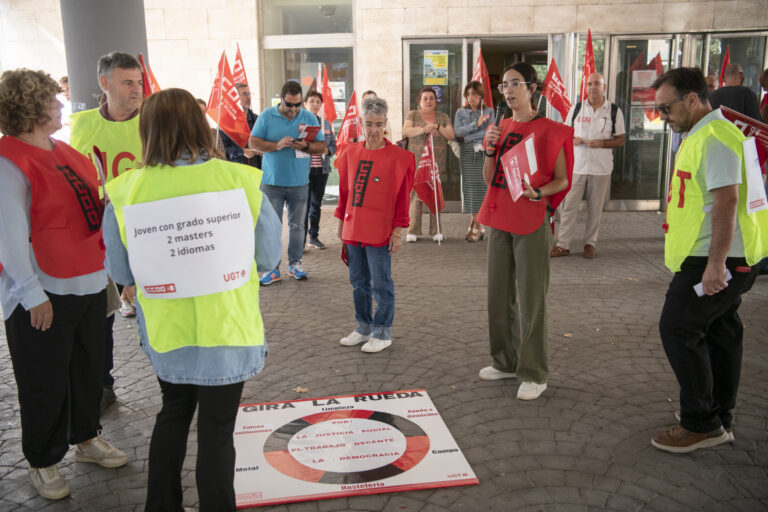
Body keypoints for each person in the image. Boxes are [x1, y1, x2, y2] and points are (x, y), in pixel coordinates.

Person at [103, 88, 282, 510]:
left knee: (173, 413)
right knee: (218, 430)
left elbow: (122, 274)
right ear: (200, 127)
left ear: (147, 130)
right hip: (228, 329)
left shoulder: (126, 190)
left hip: (169, 333)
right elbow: (268, 257)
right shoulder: (238, 180)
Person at [0, 68, 127, 501]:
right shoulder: (9, 160)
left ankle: (87, 438)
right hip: (44, 290)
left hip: (88, 281)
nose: (60, 105)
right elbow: (9, 236)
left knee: (88, 370)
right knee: (43, 379)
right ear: (31, 108)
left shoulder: (66, 152)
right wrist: (31, 294)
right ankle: (43, 460)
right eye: (53, 100)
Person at [649, 67, 768, 453]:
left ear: (692, 100)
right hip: (719, 256)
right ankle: (719, 418)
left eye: (665, 108)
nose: (662, 117)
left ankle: (701, 423)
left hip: (717, 259)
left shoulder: (714, 136)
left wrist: (716, 264)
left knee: (678, 327)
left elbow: (727, 201)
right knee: (720, 332)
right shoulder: (703, 133)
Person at [477, 62, 573, 401]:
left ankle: (534, 372)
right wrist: (490, 150)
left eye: (515, 84)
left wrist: (538, 194)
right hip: (500, 217)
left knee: (532, 299)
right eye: (504, 86)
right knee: (498, 296)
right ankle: (504, 361)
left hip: (532, 220)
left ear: (532, 88)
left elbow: (562, 180)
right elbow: (491, 180)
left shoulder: (552, 129)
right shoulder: (500, 126)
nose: (508, 91)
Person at [69, 51, 144, 411]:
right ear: (105, 83)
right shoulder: (81, 124)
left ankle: (175, 382)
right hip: (99, 234)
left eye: (139, 82)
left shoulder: (152, 121)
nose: (136, 90)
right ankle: (103, 383)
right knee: (104, 312)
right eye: (128, 82)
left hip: (149, 232)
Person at [335, 97, 414, 353]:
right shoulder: (349, 153)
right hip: (353, 229)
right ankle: (363, 327)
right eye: (369, 124)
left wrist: (398, 231)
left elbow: (403, 199)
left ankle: (382, 332)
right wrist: (340, 222)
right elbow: (345, 193)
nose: (374, 130)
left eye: (379, 124)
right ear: (360, 123)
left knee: (381, 283)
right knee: (358, 282)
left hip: (380, 232)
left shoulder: (400, 158)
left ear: (386, 123)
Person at [250, 80, 326, 285]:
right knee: (271, 227)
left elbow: (322, 146)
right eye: (289, 105)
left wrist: (306, 145)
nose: (293, 109)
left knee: (298, 226)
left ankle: (295, 264)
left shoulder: (308, 117)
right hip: (271, 183)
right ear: (281, 100)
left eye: (297, 105)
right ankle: (272, 269)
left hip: (299, 183)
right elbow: (253, 142)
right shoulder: (267, 115)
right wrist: (276, 145)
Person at [552, 73, 625, 259]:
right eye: (589, 84)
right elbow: (564, 133)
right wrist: (572, 139)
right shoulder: (577, 108)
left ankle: (589, 243)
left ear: (604, 87)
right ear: (585, 88)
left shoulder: (614, 111)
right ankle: (562, 245)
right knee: (569, 206)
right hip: (577, 166)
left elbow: (621, 139)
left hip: (601, 168)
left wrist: (602, 143)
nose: (593, 87)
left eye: (597, 84)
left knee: (595, 208)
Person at [402, 86, 455, 242]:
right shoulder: (413, 114)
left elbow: (451, 135)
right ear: (419, 101)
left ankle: (436, 230)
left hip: (436, 163)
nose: (428, 101)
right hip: (416, 162)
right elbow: (406, 131)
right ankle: (413, 230)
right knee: (415, 195)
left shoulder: (443, 117)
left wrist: (437, 127)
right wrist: (423, 129)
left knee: (435, 194)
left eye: (431, 98)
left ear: (436, 101)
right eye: (425, 98)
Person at [453, 81, 493, 242]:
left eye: (475, 94)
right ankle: (479, 226)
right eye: (469, 95)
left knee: (481, 189)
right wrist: (475, 125)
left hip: (482, 152)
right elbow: (457, 131)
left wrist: (469, 134)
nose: (471, 98)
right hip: (467, 153)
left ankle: (475, 226)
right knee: (470, 189)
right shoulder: (461, 112)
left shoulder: (489, 111)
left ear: (481, 95)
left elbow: (490, 133)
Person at [303, 90, 337, 249]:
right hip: (304, 170)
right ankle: (300, 240)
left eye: (318, 102)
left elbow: (333, 146)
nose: (315, 104)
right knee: (304, 205)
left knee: (316, 204)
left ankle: (313, 237)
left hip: (321, 170)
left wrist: (327, 151)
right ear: (305, 104)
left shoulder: (326, 124)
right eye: (312, 101)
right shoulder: (301, 124)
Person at [220, 82, 262, 169]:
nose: (249, 97)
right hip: (235, 173)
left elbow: (264, 141)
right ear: (235, 98)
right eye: (245, 94)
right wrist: (241, 152)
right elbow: (221, 150)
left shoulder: (258, 120)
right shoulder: (225, 123)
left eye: (249, 94)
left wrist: (263, 149)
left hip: (256, 173)